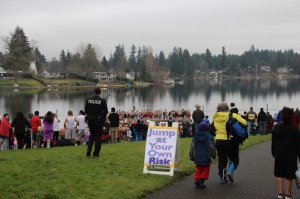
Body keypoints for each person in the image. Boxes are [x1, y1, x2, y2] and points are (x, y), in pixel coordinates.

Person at [212, 102, 247, 183]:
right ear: (227, 108)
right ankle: (230, 171)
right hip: (231, 140)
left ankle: (223, 178)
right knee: (235, 158)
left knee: (222, 159)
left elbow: (213, 126)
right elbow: (244, 122)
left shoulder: (215, 116)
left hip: (219, 140)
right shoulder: (233, 115)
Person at [271, 107, 300, 199]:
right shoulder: (294, 129)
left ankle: (280, 192)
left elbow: (274, 143)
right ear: (291, 117)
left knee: (279, 174)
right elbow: (298, 144)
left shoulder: (276, 128)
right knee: (289, 175)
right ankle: (288, 193)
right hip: (290, 155)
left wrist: (274, 153)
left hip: (279, 154)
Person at [85, 88, 108, 157]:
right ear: (100, 93)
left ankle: (89, 149)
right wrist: (102, 117)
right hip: (98, 120)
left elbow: (86, 110)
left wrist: (90, 115)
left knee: (92, 135)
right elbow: (105, 111)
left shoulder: (88, 100)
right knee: (98, 136)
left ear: (94, 92)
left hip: (90, 119)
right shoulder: (102, 100)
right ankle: (96, 153)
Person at [193, 122, 215, 189]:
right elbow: (212, 147)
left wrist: (192, 156)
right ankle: (202, 181)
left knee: (198, 168)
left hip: (197, 156)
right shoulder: (209, 137)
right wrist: (214, 155)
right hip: (206, 156)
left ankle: (197, 179)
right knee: (205, 169)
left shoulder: (195, 136)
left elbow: (192, 147)